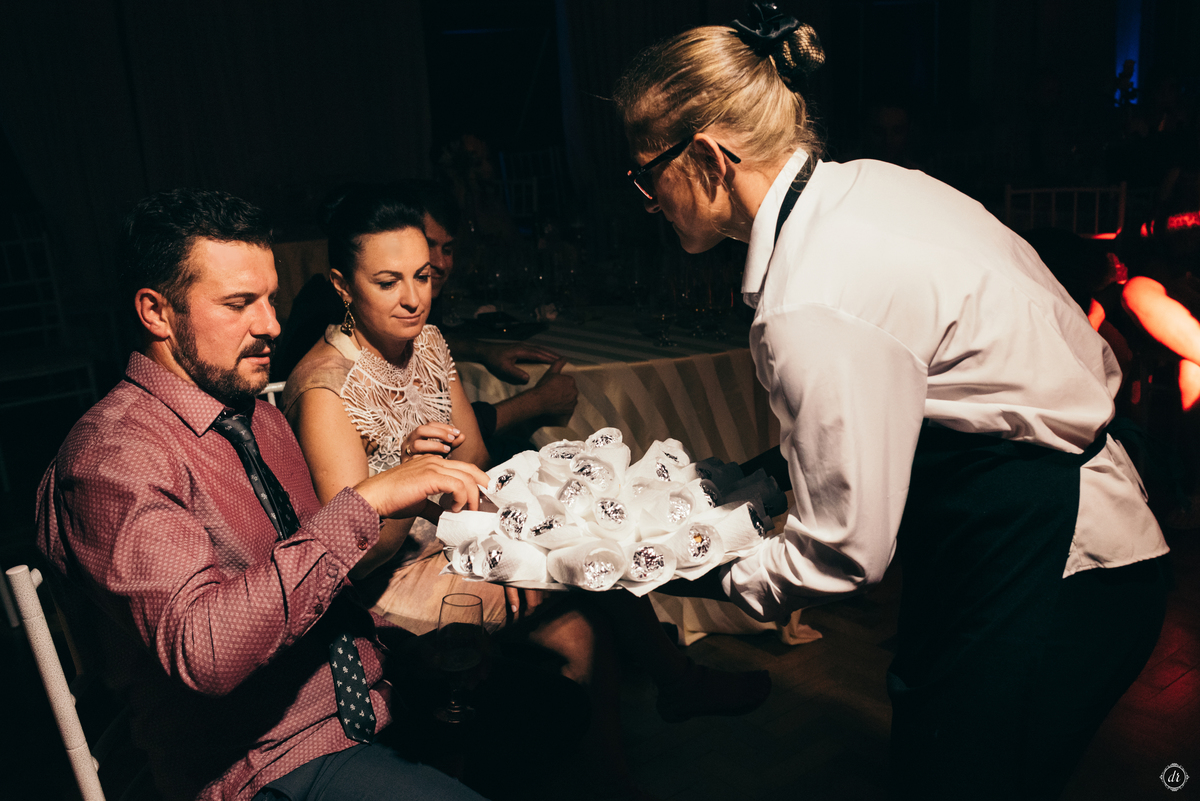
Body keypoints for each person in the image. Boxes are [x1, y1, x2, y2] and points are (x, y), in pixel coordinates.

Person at [613, 5, 1169, 799]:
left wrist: (676, 568)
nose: (646, 198)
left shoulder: (810, 295)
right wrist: (757, 478)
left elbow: (841, 555)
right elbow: (916, 401)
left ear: (706, 157)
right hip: (1024, 520)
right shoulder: (867, 186)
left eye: (646, 173)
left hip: (1067, 566)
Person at [32, 187, 555, 801]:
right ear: (156, 312)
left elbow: (315, 581)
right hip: (261, 762)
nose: (272, 326)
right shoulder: (114, 458)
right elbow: (205, 649)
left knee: (555, 710)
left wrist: (408, 642)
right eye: (238, 304)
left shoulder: (256, 416)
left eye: (271, 299)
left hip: (361, 698)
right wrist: (366, 503)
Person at [280, 184, 770, 798]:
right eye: (387, 282)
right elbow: (356, 555)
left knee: (583, 613)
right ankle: (677, 683)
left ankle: (614, 776)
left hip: (461, 537)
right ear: (342, 286)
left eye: (423, 276)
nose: (413, 299)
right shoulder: (325, 387)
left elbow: (478, 459)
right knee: (590, 570)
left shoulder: (427, 342)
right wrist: (405, 484)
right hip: (392, 584)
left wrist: (460, 475)